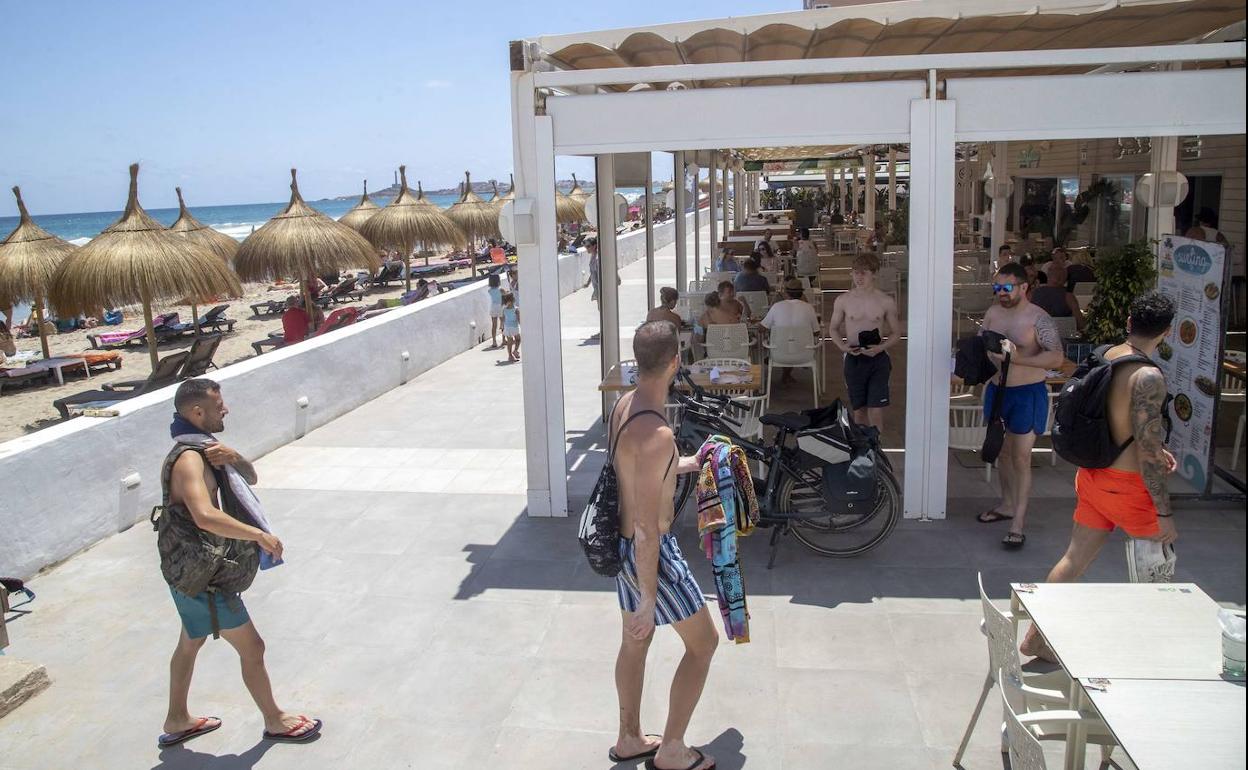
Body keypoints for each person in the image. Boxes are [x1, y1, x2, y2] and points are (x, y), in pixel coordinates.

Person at [158, 379, 320, 747]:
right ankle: (275, 719)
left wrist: (234, 457)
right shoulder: (189, 459)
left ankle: (177, 718)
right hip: (204, 581)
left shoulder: (206, 449)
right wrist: (258, 535)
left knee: (190, 642)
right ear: (197, 412)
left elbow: (250, 476)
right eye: (219, 406)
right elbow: (204, 515)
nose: (225, 410)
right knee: (253, 648)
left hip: (186, 575)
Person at [1019, 292, 1179, 661]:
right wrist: (1164, 512)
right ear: (1167, 332)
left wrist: (1154, 447)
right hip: (1129, 487)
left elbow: (1119, 425)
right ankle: (1152, 658)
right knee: (1156, 578)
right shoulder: (1148, 376)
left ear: (1129, 322)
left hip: (1094, 477)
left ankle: (1036, 639)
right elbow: (1148, 452)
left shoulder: (1107, 355)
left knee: (1073, 561)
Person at [608, 321, 718, 770]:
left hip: (623, 548)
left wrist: (686, 463)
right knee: (704, 644)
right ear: (675, 362)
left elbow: (637, 471)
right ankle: (672, 749)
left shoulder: (624, 405)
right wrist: (649, 597)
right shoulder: (658, 433)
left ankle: (629, 737)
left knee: (634, 642)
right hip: (651, 554)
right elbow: (647, 527)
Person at [978, 262, 1066, 549]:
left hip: (1027, 393)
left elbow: (1056, 358)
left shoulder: (1038, 318)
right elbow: (981, 346)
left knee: (1021, 457)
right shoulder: (992, 313)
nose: (1001, 292)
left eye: (1006, 287)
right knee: (1002, 453)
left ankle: (1018, 523)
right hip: (998, 391)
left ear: (1023, 286)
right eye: (997, 287)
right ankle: (1006, 504)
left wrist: (1017, 359)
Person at [827, 253, 904, 432]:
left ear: (874, 274)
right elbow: (833, 329)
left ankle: (875, 446)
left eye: (864, 273)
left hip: (878, 359)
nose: (859, 277)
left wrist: (880, 348)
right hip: (854, 357)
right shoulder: (843, 300)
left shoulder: (885, 301)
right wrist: (843, 347)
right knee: (859, 410)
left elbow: (896, 333)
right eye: (856, 272)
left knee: (876, 410)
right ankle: (862, 446)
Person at [760, 277, 821, 386]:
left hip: (779, 354)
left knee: (785, 341)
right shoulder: (809, 308)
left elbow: (762, 329)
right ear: (801, 293)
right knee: (792, 341)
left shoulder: (777, 306)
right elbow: (816, 332)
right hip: (804, 353)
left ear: (786, 292)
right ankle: (786, 375)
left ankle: (777, 376)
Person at [501, 291, 521, 362]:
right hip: (514, 327)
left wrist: (502, 326)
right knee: (518, 339)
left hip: (507, 327)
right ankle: (514, 351)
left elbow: (503, 319)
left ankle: (510, 355)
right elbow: (519, 319)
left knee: (510, 341)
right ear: (512, 300)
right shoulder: (516, 309)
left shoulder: (504, 309)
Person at [487, 274, 504, 348]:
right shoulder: (501, 289)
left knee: (494, 325)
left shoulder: (489, 290)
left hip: (493, 307)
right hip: (500, 307)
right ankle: (504, 340)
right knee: (503, 323)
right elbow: (506, 295)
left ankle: (494, 341)